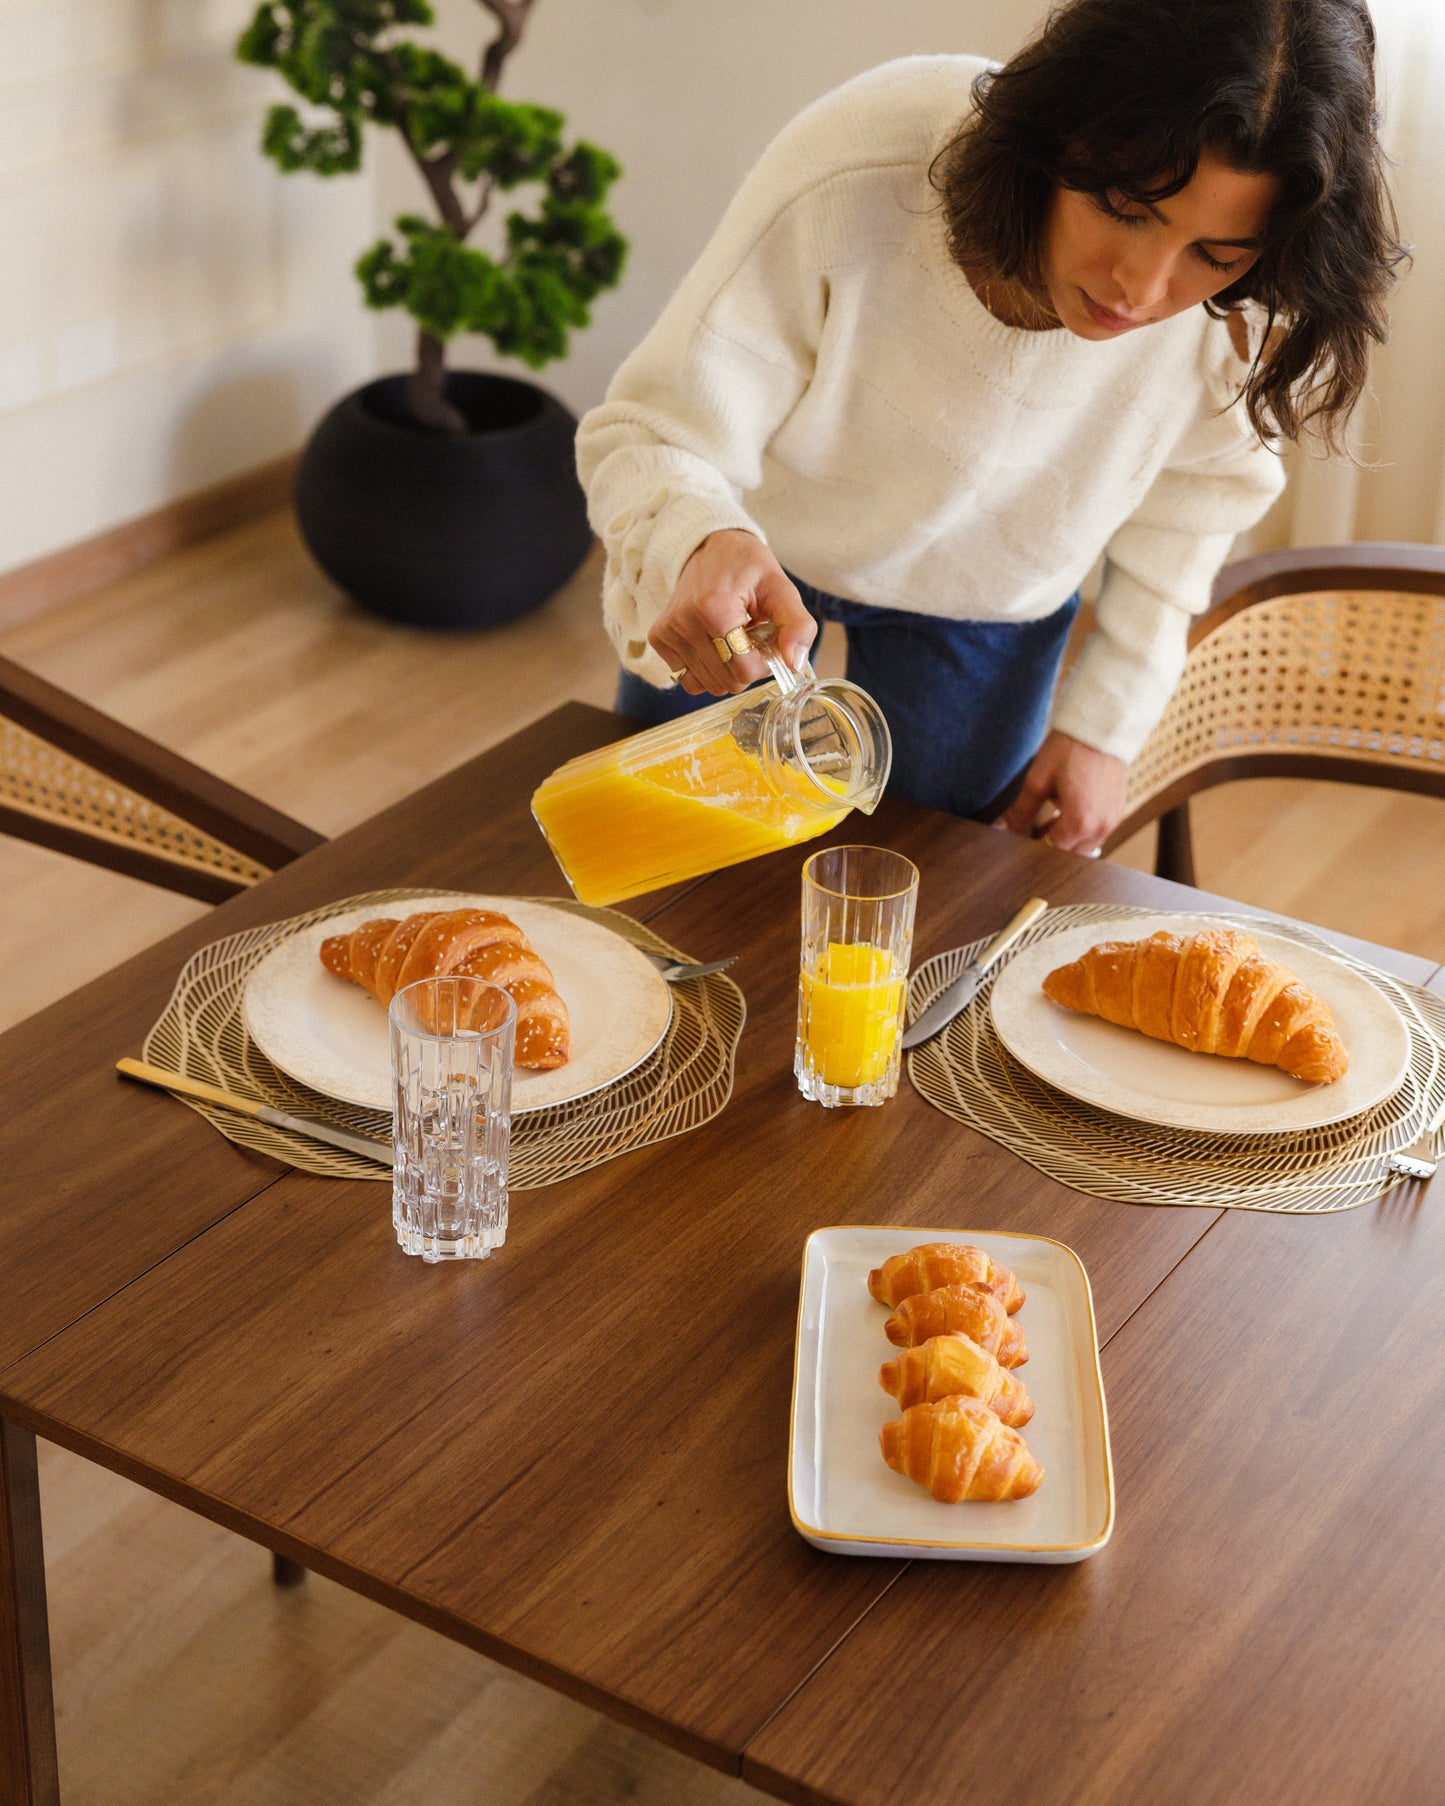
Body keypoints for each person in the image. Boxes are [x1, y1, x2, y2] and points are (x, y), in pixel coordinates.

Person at [575, 0, 1403, 855]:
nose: (1140, 287)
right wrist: (693, 534)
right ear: (1057, 138)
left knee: (927, 895)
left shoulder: (1252, 301)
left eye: (1213, 255)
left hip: (994, 595)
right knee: (659, 854)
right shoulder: (866, 165)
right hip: (749, 561)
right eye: (1125, 207)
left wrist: (1102, 729)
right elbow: (649, 428)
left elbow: (1194, 509)